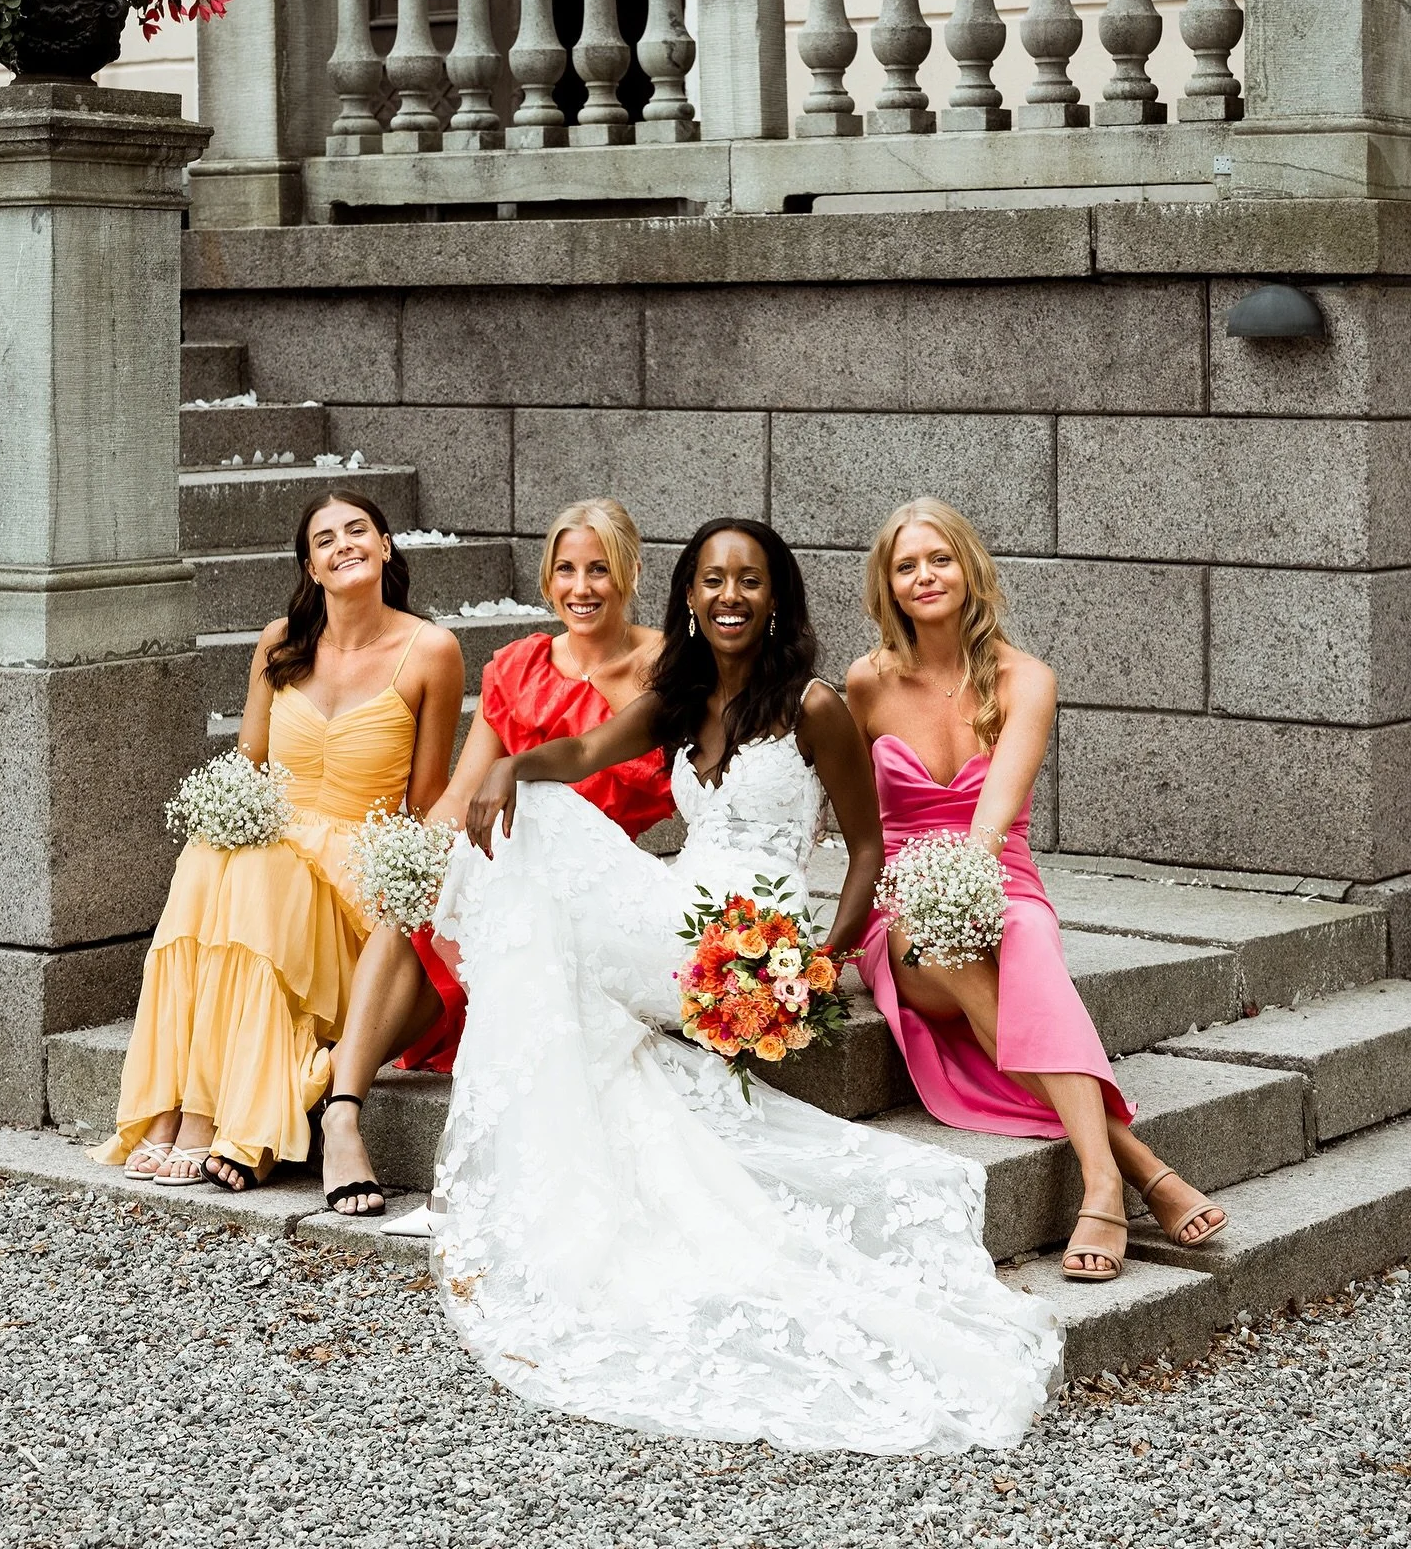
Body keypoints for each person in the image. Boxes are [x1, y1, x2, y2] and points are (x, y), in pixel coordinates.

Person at [422, 517, 1061, 1455]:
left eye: (750, 581)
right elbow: (583, 757)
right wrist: (513, 763)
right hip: (680, 911)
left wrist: (822, 959)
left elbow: (867, 847)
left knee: (556, 921)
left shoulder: (812, 706)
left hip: (755, 937)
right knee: (541, 810)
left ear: (775, 600)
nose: (730, 596)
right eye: (714, 580)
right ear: (688, 596)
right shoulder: (678, 699)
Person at [847, 498, 1227, 1283]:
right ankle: (1128, 1169)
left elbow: (990, 828)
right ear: (888, 585)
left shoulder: (1027, 679)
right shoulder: (866, 683)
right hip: (904, 912)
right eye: (906, 565)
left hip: (998, 876)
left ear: (969, 568)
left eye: (940, 559)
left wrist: (963, 893)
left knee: (1024, 939)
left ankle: (1109, 1182)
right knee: (938, 934)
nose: (925, 576)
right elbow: (856, 823)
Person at [92, 492, 463, 1195]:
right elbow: (250, 766)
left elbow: (426, 798)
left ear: (386, 546)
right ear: (311, 567)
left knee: (262, 870)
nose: (344, 544)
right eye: (325, 539)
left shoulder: (431, 650)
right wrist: (228, 822)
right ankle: (170, 1108)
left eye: (358, 530)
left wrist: (413, 883)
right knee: (210, 856)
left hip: (356, 872)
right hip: (271, 857)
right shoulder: (279, 641)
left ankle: (204, 1118)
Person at [319, 499, 674, 1217]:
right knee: (418, 904)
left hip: (598, 891)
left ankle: (325, 1080)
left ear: (631, 572)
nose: (581, 587)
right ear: (547, 579)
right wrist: (415, 865)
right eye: (566, 570)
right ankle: (342, 1116)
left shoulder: (667, 669)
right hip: (504, 873)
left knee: (477, 936)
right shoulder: (518, 667)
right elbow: (458, 797)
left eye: (599, 569)